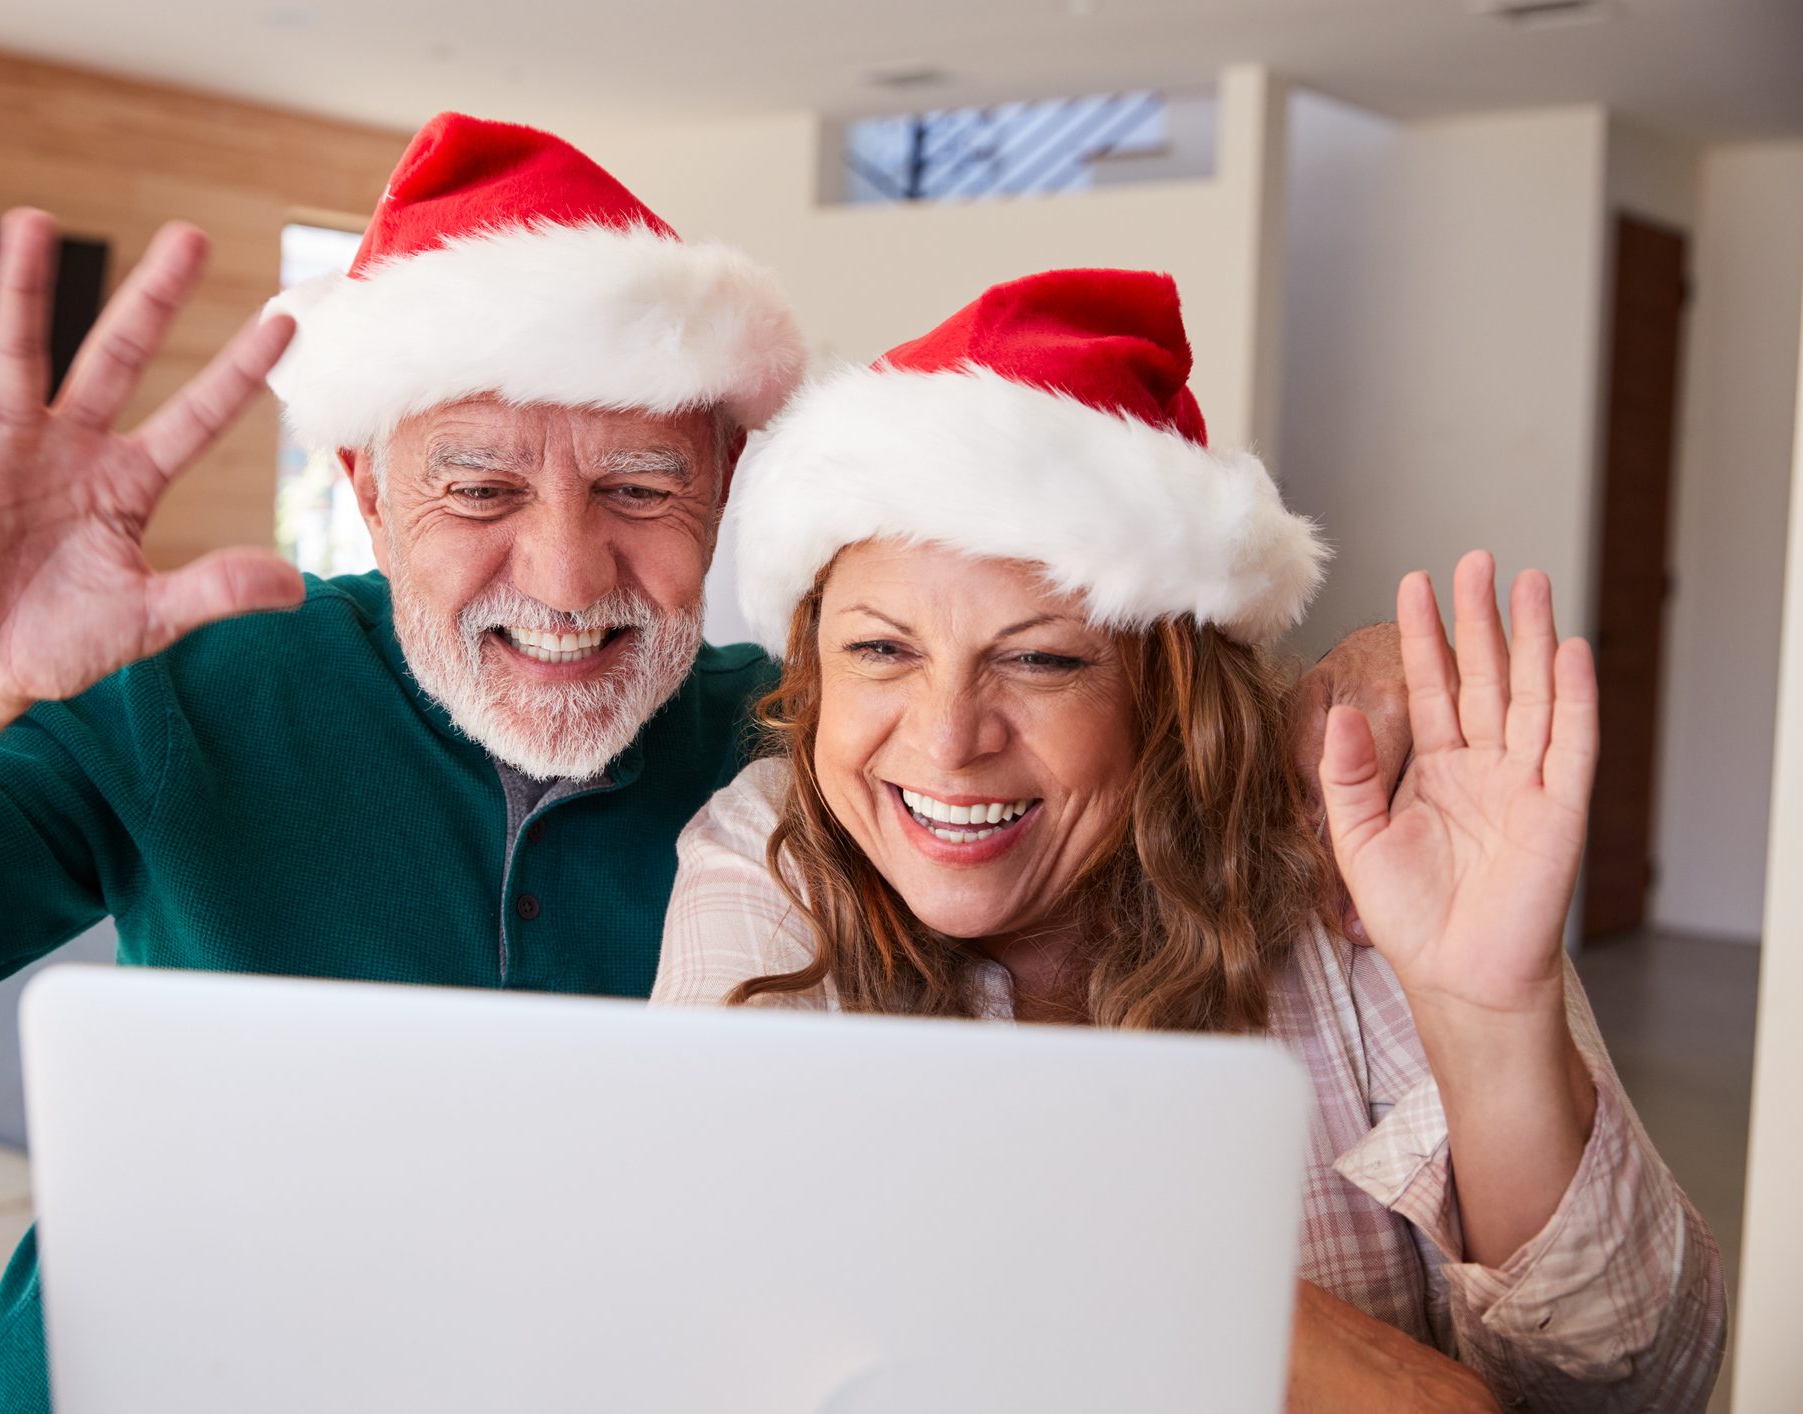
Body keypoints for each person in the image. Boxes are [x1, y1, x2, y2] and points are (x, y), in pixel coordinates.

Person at [0, 118, 1405, 1412]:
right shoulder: (182, 688)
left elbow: (1093, 863)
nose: (568, 579)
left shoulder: (817, 767)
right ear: (365, 484)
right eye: (482, 487)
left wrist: (1320, 728)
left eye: (642, 488)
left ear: (727, 482)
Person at [652, 269, 1727, 1411]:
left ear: (1172, 696)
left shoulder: (1362, 842)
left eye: (1043, 657)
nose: (948, 741)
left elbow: (1640, 1383)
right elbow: (730, 1295)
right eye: (881, 650)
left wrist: (1491, 1021)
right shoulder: (769, 849)